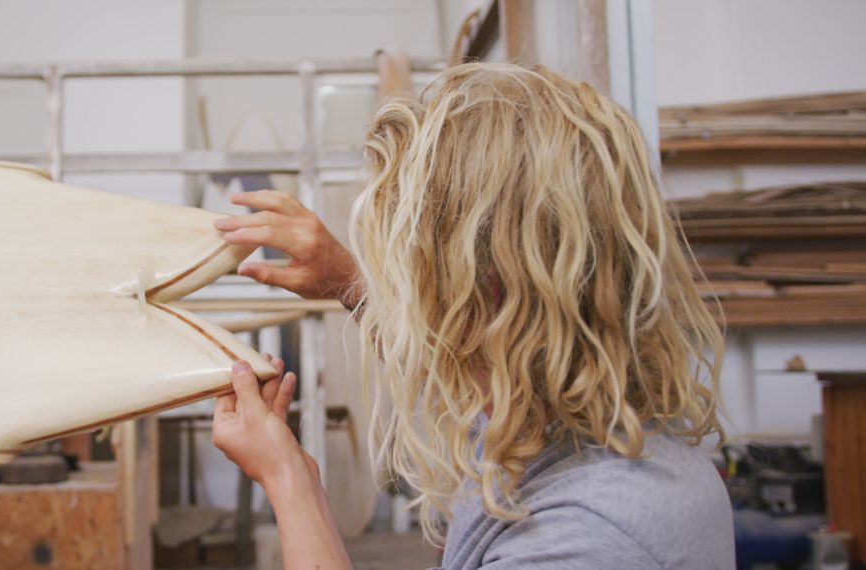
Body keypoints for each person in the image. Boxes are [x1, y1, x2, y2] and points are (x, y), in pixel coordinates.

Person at [210, 63, 735, 569]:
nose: (402, 295)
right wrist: (348, 281)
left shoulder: (581, 540)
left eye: (407, 269)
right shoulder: (569, 417)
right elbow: (450, 356)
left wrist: (289, 480)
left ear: (486, 291)